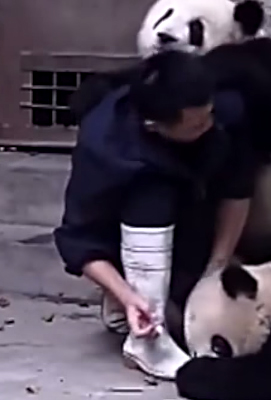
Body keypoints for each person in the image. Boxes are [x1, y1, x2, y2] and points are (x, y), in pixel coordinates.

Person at [53, 49, 258, 381]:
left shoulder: (224, 107)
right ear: (153, 125)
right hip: (134, 228)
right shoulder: (105, 143)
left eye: (209, 115)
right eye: (196, 124)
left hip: (195, 218)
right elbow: (80, 239)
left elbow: (238, 191)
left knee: (200, 317)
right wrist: (127, 296)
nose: (208, 125)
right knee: (152, 195)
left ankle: (170, 294)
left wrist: (217, 266)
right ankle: (144, 334)